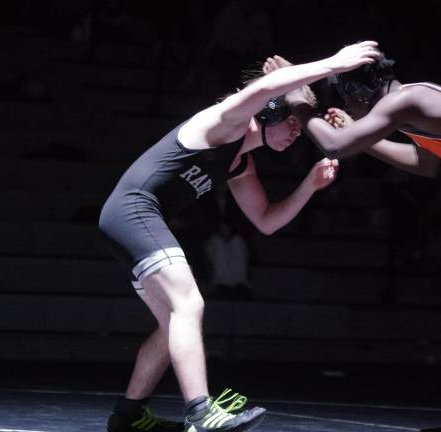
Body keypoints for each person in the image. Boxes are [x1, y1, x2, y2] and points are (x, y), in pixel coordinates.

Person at [264, 45, 441, 432]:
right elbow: (426, 165)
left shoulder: (409, 99)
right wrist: (359, 136)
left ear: (358, 92)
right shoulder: (408, 104)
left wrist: (299, 101)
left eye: (347, 98)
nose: (348, 106)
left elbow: (335, 145)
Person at [98, 41, 381, 432]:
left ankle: (127, 417)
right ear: (267, 113)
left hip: (134, 217)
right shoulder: (225, 121)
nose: (298, 131)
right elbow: (263, 90)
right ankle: (201, 412)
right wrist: (334, 63)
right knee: (188, 303)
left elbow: (266, 220)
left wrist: (308, 187)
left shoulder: (240, 163)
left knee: (173, 325)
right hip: (133, 209)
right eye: (292, 121)